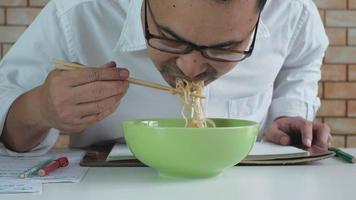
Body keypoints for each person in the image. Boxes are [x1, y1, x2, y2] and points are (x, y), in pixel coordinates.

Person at [0, 0, 330, 155]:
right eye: (169, 40)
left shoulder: (294, 13)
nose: (190, 70)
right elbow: (6, 113)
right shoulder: (78, 14)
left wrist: (288, 112)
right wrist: (39, 109)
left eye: (224, 48)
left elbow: (301, 62)